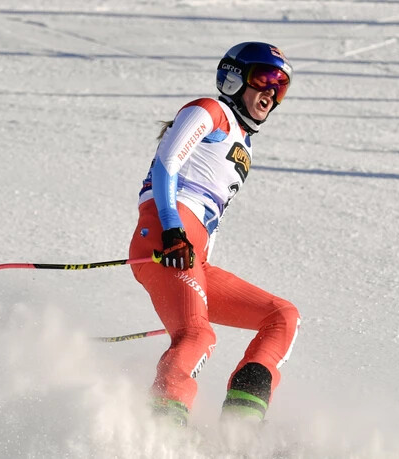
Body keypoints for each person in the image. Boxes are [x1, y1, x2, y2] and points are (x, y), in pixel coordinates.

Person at [128, 42, 301, 427]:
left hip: (194, 252)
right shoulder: (210, 111)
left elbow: (212, 217)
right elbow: (166, 163)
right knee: (196, 335)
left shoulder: (244, 142)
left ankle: (241, 424)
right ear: (234, 76)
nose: (272, 92)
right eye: (265, 78)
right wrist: (173, 228)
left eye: (281, 86)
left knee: (282, 317)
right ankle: (160, 428)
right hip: (165, 234)